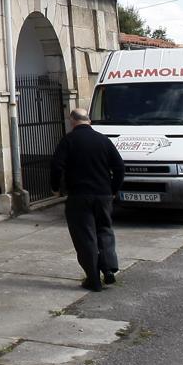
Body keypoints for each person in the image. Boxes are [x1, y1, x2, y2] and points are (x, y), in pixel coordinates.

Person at [49, 106, 125, 291]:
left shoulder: (68, 141)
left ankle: (93, 278)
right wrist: (113, 189)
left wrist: (55, 188)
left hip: (79, 196)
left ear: (72, 121)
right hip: (103, 194)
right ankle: (108, 269)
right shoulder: (103, 140)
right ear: (89, 120)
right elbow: (120, 167)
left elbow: (56, 166)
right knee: (104, 230)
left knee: (85, 236)